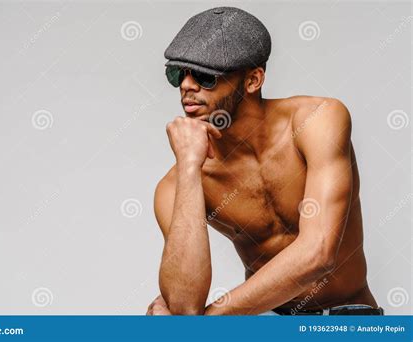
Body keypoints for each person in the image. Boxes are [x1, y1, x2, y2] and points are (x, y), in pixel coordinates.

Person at [146, 6, 383, 316]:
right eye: (178, 74)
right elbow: (183, 307)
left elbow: (317, 254)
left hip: (348, 322)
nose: (187, 86)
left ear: (253, 80)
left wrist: (209, 320)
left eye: (205, 76)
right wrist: (190, 167)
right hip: (270, 325)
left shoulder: (316, 120)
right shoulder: (175, 185)